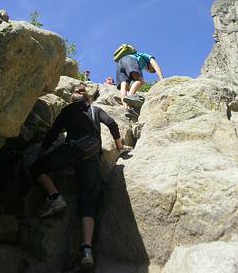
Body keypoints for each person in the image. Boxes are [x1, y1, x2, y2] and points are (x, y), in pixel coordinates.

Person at [30, 85, 132, 269]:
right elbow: (112, 123)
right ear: (87, 99)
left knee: (37, 168)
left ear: (72, 99)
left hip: (71, 151)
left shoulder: (67, 110)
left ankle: (54, 197)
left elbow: (53, 134)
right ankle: (86, 249)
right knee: (87, 200)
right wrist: (119, 146)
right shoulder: (95, 109)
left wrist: (42, 152)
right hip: (91, 156)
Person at [116, 51, 164, 116]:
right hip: (130, 59)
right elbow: (156, 65)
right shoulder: (148, 57)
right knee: (140, 81)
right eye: (151, 69)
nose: (149, 70)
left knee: (124, 85)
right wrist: (162, 79)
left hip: (120, 63)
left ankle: (127, 109)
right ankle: (130, 97)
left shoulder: (141, 62)